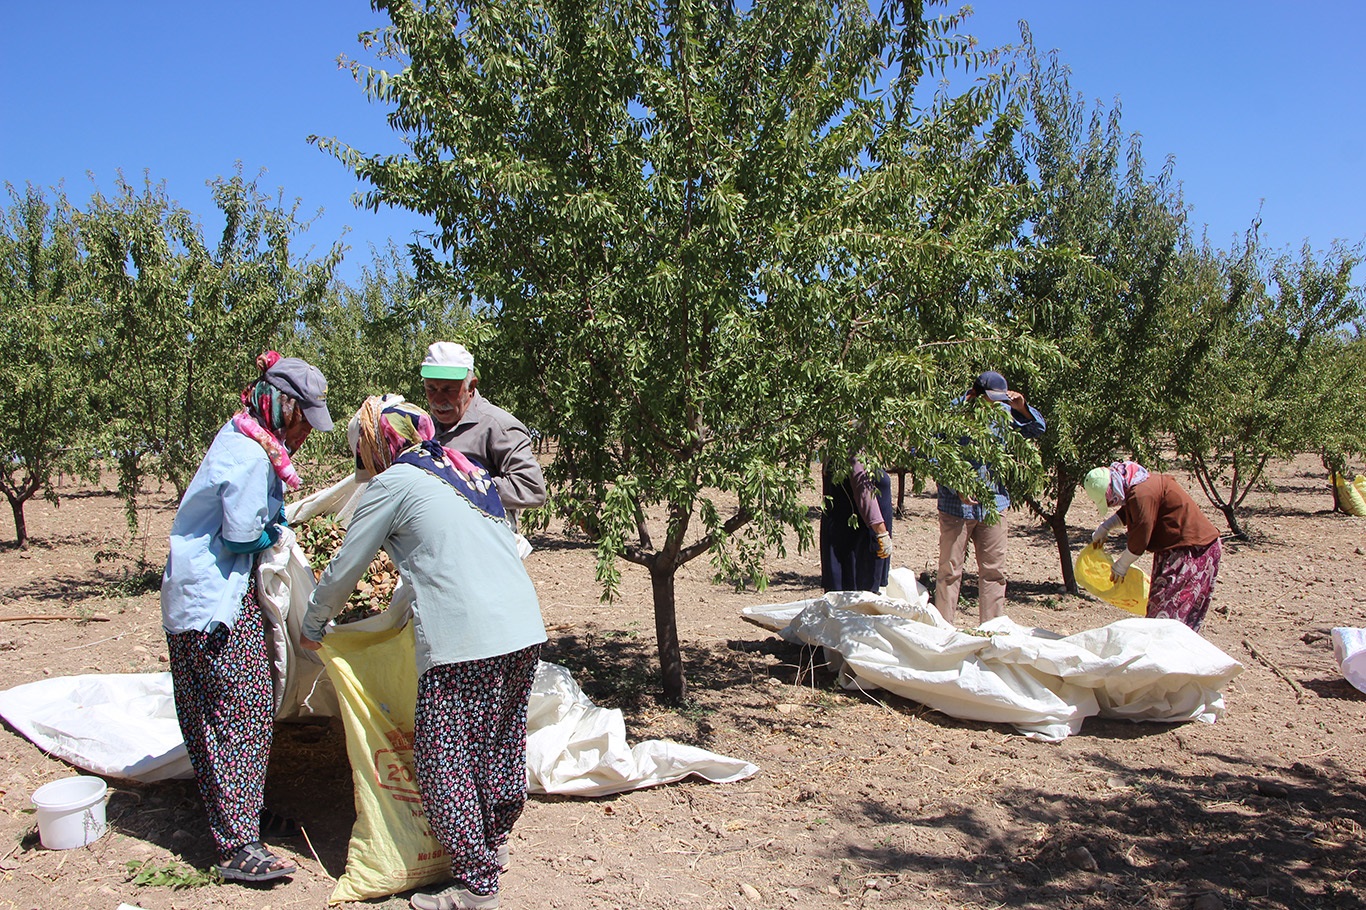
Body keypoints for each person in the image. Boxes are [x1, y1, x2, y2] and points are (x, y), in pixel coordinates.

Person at [301, 397, 547, 910]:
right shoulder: (464, 473)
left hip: (465, 638)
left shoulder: (395, 482)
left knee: (443, 761)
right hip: (522, 627)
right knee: (497, 746)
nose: (363, 471)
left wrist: (313, 624)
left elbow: (348, 563)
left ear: (377, 449)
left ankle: (477, 886)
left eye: (363, 459)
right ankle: (489, 848)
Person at [160, 351, 333, 883]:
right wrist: (278, 533)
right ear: (283, 408)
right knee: (239, 710)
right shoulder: (252, 455)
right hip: (215, 605)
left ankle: (241, 815)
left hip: (191, 600)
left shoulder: (242, 436)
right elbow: (240, 536)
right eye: (303, 418)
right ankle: (236, 844)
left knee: (213, 712)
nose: (305, 431)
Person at [934, 370, 1046, 624]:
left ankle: (992, 631)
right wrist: (955, 485)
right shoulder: (951, 415)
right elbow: (929, 453)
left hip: (993, 504)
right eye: (991, 398)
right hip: (956, 508)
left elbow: (1037, 428)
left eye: (1000, 399)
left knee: (994, 572)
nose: (996, 404)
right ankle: (942, 632)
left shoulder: (1004, 413)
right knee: (950, 571)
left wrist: (1023, 408)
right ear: (974, 394)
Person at [1084, 460, 1223, 632]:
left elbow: (1140, 537)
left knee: (1169, 617)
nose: (1114, 504)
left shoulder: (1142, 493)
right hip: (1177, 549)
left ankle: (1170, 657)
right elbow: (1133, 510)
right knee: (1159, 609)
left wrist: (1122, 565)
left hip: (1193, 551)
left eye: (1111, 501)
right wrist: (1106, 527)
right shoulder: (1137, 484)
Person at [420, 341, 547, 523]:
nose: (438, 400)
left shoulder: (498, 427)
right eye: (431, 389)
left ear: (471, 386)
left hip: (483, 545)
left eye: (449, 390)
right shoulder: (427, 428)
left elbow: (531, 489)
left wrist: (459, 485)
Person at [820, 456, 893, 593]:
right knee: (856, 600)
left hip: (854, 541)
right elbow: (863, 492)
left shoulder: (854, 449)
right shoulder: (853, 450)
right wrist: (881, 531)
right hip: (854, 545)